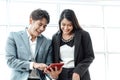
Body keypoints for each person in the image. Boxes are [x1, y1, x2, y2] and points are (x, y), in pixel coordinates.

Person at [5, 8, 58, 80]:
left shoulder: (47, 42)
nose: (42, 28)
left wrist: (53, 75)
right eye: (40, 24)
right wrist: (33, 65)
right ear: (31, 21)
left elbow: (48, 66)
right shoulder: (14, 37)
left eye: (45, 26)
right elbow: (10, 61)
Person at [52, 9, 95, 80]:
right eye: (63, 24)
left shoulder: (84, 35)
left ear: (74, 24)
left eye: (69, 25)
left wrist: (78, 71)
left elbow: (90, 56)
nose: (65, 28)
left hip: (79, 74)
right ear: (60, 23)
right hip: (61, 74)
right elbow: (54, 58)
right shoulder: (55, 37)